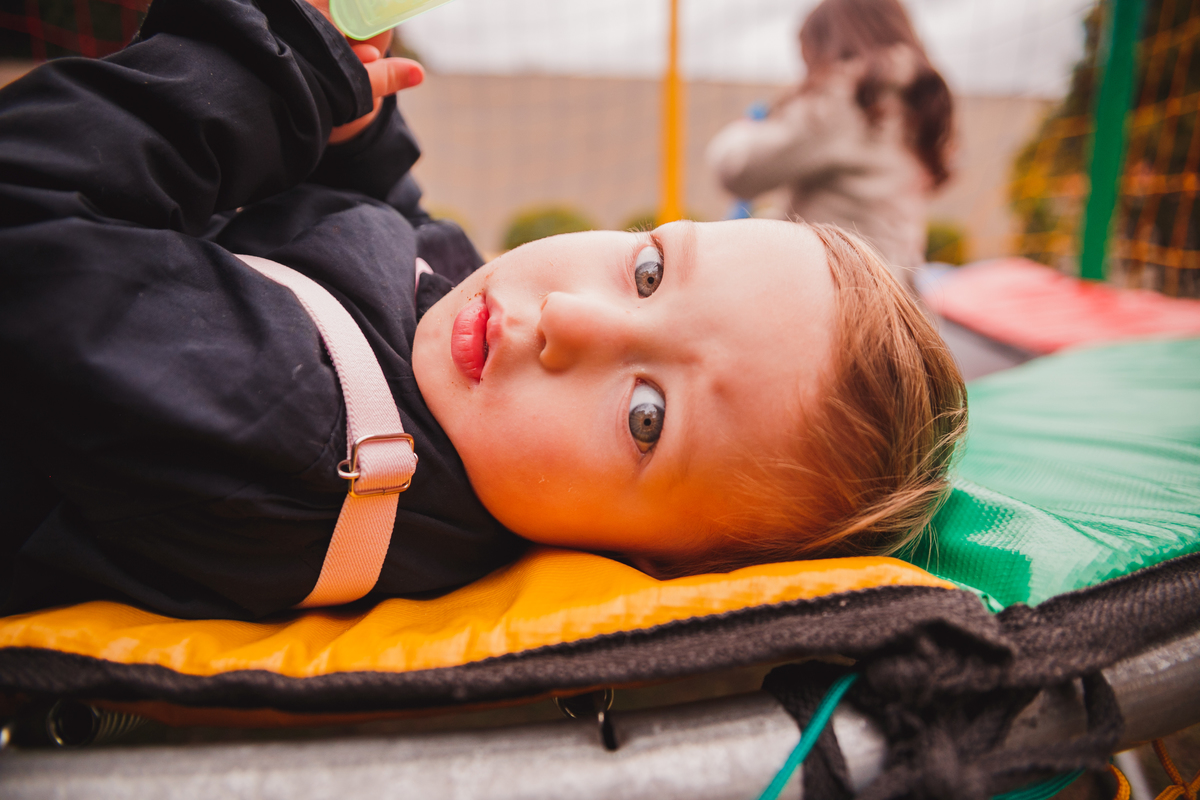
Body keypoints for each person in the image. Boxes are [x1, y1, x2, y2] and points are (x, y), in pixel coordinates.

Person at [0, 0, 966, 621]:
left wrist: (266, 76)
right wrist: (359, 139)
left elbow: (29, 213)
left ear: (636, 564)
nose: (569, 325)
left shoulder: (299, 441)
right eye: (646, 273)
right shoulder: (462, 380)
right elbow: (403, 247)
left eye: (646, 417)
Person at [706, 0, 954, 290]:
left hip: (841, 297)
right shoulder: (917, 99)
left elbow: (739, 171)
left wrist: (745, 129)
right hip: (896, 293)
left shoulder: (844, 98)